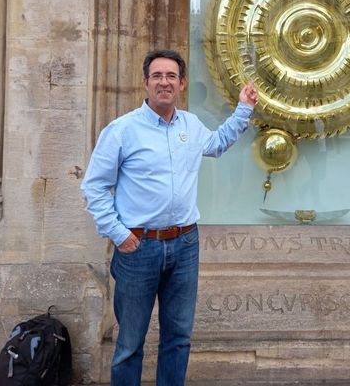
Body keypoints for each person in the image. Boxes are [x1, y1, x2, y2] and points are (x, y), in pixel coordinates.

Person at [81, 49, 258, 386]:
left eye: (171, 76)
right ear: (146, 83)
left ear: (182, 83)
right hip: (138, 248)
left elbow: (217, 144)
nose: (165, 82)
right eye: (157, 76)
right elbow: (94, 187)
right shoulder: (122, 130)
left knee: (178, 338)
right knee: (130, 343)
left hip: (184, 245)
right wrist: (118, 234)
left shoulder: (190, 126)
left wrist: (244, 108)